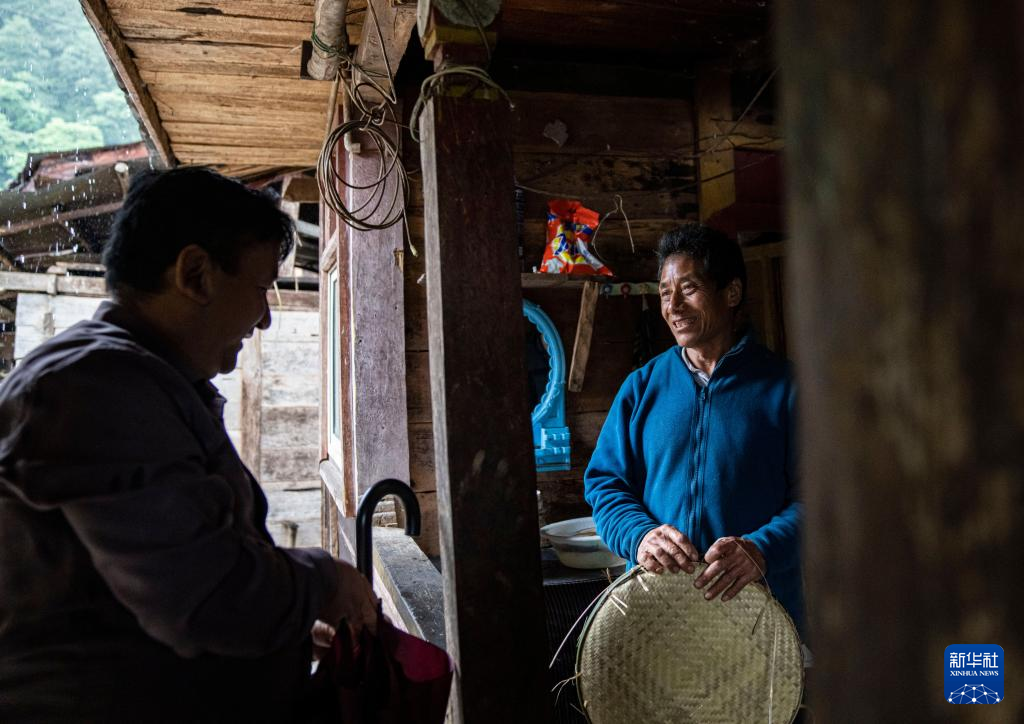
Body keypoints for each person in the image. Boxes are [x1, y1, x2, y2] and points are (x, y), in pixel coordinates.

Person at [0, 168, 378, 722]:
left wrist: (287, 631)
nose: (265, 318)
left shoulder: (143, 380)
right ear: (196, 274)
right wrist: (323, 581)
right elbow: (205, 596)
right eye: (260, 288)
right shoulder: (97, 388)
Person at [584, 222, 803, 633]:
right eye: (665, 293)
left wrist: (762, 548)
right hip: (659, 620)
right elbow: (605, 485)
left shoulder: (786, 389)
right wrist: (639, 536)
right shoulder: (642, 388)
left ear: (731, 293)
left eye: (689, 289)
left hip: (760, 620)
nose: (674, 306)